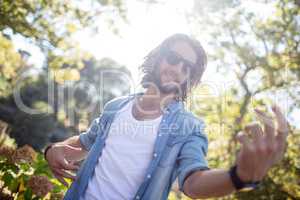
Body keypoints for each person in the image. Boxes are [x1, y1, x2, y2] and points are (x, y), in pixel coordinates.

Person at [45, 33, 289, 200]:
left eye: (188, 68)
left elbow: (193, 182)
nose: (178, 70)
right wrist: (53, 149)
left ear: (190, 79)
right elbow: (85, 143)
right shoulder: (116, 106)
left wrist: (239, 176)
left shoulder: (189, 127)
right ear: (157, 57)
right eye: (173, 59)